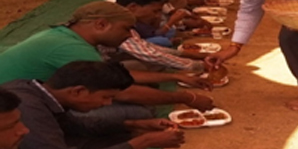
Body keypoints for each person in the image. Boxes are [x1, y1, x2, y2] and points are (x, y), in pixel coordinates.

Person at [0, 1, 215, 111]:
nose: (130, 35)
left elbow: (117, 75)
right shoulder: (72, 48)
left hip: (24, 98)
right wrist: (186, 97)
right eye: (126, 29)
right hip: (15, 108)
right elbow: (124, 92)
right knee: (135, 111)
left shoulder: (67, 37)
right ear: (101, 25)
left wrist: (175, 77)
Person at [2, 61, 186, 149]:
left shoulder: (44, 94)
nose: (108, 103)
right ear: (78, 91)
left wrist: (134, 125)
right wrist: (142, 142)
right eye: (105, 97)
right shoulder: (27, 107)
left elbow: (78, 126)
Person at [110, 0, 206, 71]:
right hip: (105, 67)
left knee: (158, 59)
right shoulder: (118, 25)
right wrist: (196, 65)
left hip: (117, 57)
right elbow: (151, 54)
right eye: (155, 11)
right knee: (147, 64)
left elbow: (147, 47)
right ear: (133, 7)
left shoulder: (124, 19)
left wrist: (190, 55)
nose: (157, 16)